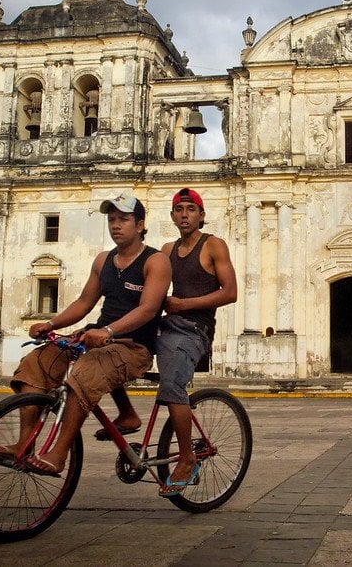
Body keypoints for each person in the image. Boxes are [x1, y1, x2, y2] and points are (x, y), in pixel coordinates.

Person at [0, 192, 171, 475]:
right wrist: (52, 324)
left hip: (134, 345)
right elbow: (84, 302)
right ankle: (24, 444)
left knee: (84, 373)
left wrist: (108, 331)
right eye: (112, 219)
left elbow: (147, 309)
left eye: (124, 219)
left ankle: (58, 454)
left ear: (141, 224)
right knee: (37, 362)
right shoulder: (103, 260)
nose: (116, 225)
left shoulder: (155, 261)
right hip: (96, 337)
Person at [156, 187, 237, 496]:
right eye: (179, 209)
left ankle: (188, 458)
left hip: (194, 328)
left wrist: (183, 305)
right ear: (173, 215)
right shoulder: (166, 250)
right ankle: (126, 415)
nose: (185, 214)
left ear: (202, 215)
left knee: (173, 383)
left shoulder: (213, 245)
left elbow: (230, 292)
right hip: (167, 323)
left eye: (191, 209)